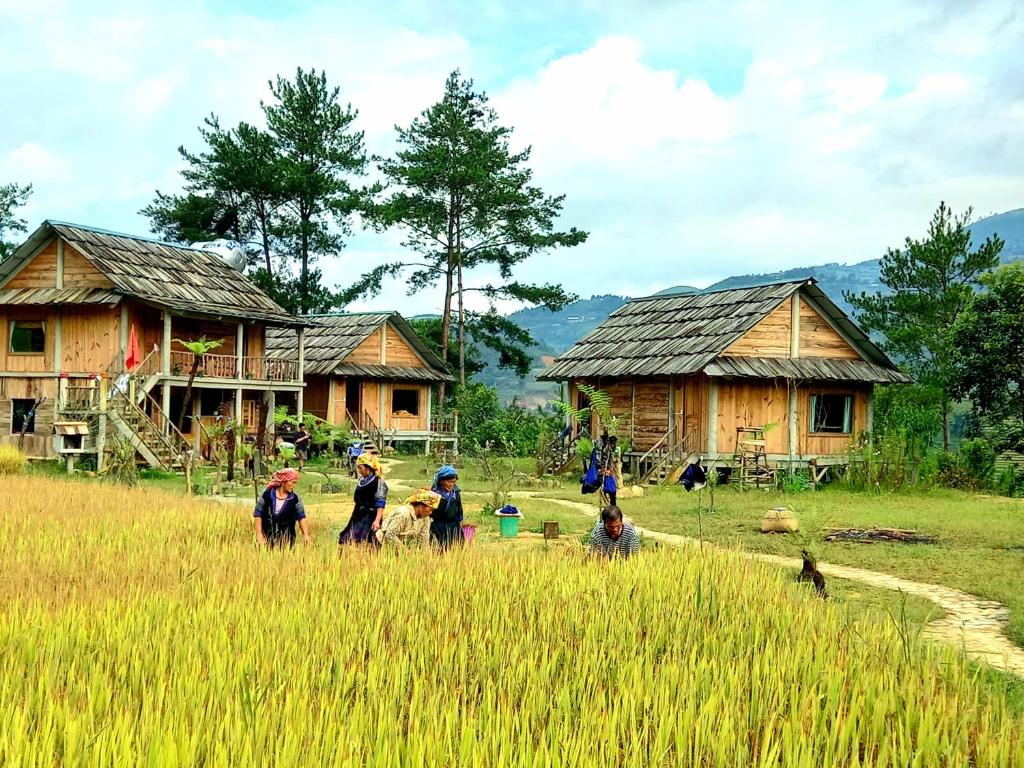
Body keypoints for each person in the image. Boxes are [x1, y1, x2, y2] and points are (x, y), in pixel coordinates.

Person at [338, 453, 388, 546]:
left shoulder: (378, 482)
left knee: (367, 543)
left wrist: (377, 521)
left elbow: (380, 503)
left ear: (368, 468)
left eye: (360, 468)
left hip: (370, 517)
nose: (359, 470)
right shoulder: (361, 480)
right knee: (346, 540)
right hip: (358, 514)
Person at [253, 468, 310, 549]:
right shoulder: (266, 494)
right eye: (292, 482)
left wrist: (305, 534)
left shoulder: (295, 499)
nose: (294, 486)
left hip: (287, 541)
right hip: (266, 538)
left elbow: (301, 517)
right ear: (284, 482)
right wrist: (259, 534)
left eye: (295, 483)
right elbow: (258, 514)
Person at [375, 488, 440, 549]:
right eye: (430, 509)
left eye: (433, 510)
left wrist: (426, 558)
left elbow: (423, 541)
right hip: (382, 544)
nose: (431, 512)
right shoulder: (403, 513)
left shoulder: (425, 519)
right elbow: (390, 535)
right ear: (421, 505)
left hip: (401, 546)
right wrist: (405, 552)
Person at [430, 464, 464, 550]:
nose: (451, 484)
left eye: (453, 482)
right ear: (441, 481)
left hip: (454, 527)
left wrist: (460, 527)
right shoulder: (434, 494)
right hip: (439, 528)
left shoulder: (455, 493)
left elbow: (459, 511)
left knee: (457, 551)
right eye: (449, 482)